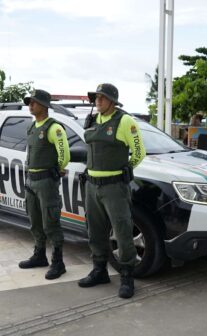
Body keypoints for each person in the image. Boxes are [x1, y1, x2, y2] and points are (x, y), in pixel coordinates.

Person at [78, 83, 146, 299]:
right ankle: (99, 270)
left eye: (102, 97)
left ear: (112, 101)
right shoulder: (92, 120)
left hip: (114, 187)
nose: (97, 101)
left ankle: (127, 276)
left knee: (122, 231)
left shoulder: (124, 121)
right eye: (96, 97)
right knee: (95, 230)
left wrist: (125, 170)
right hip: (91, 185)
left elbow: (139, 152)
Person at [18, 89, 70, 280]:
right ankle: (40, 255)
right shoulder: (32, 127)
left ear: (44, 105)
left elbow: (65, 154)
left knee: (51, 222)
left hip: (47, 182)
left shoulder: (53, 128)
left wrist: (58, 168)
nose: (30, 105)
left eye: (34, 102)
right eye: (29, 102)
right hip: (31, 180)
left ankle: (58, 262)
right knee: (35, 221)